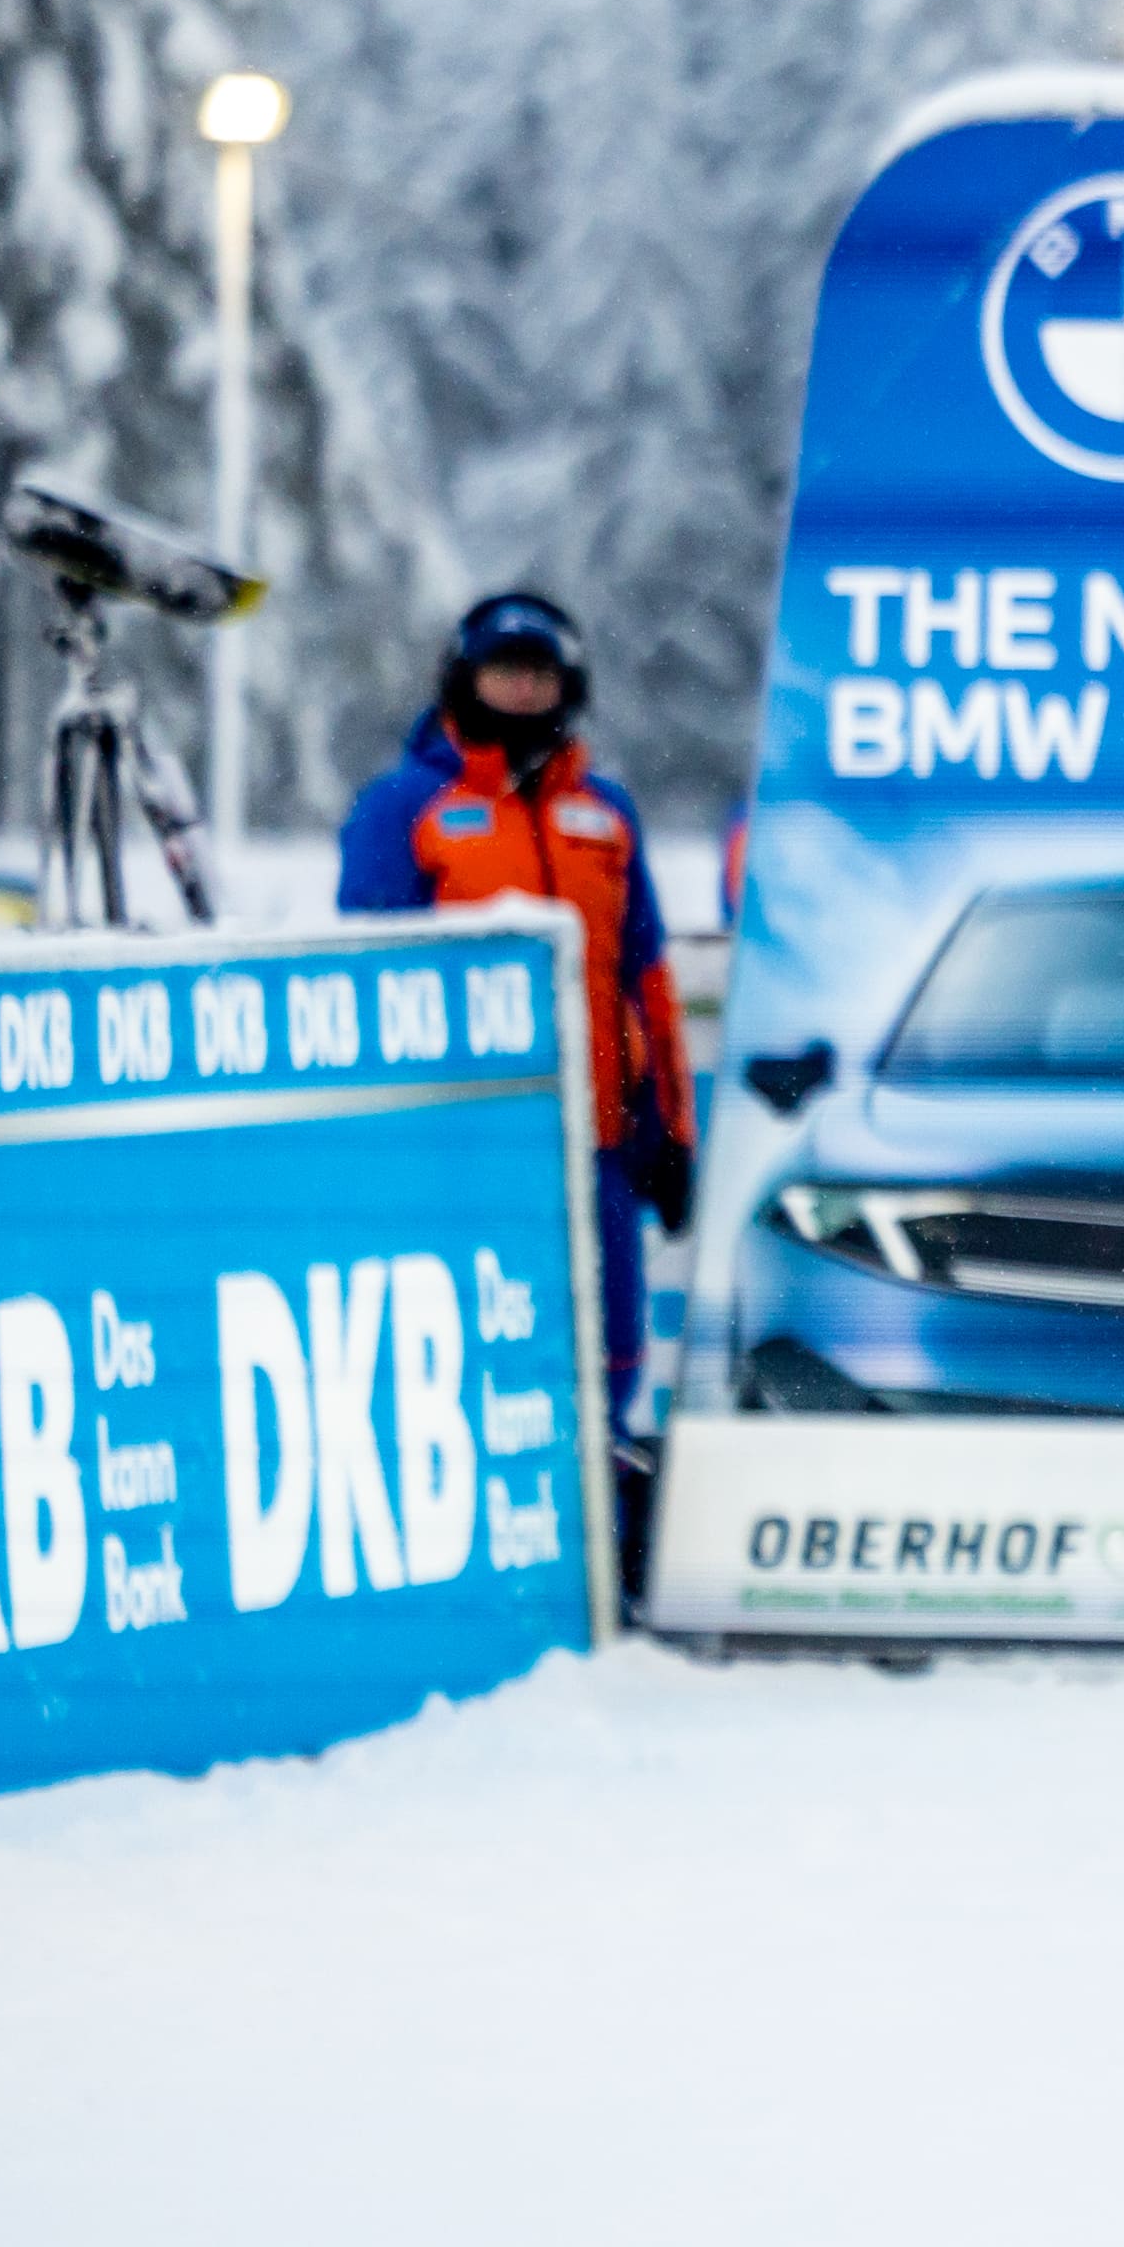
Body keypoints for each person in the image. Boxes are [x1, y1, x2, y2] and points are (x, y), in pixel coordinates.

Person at [340, 595, 694, 1580]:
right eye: (505, 670)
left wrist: (672, 1130)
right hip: (465, 1155)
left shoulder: (606, 814)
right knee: (478, 1351)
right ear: (465, 680)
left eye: (540, 673)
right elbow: (361, 978)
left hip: (597, 1144)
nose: (523, 689)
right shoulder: (404, 808)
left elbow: (647, 978)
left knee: (610, 1349)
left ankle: (601, 1553)